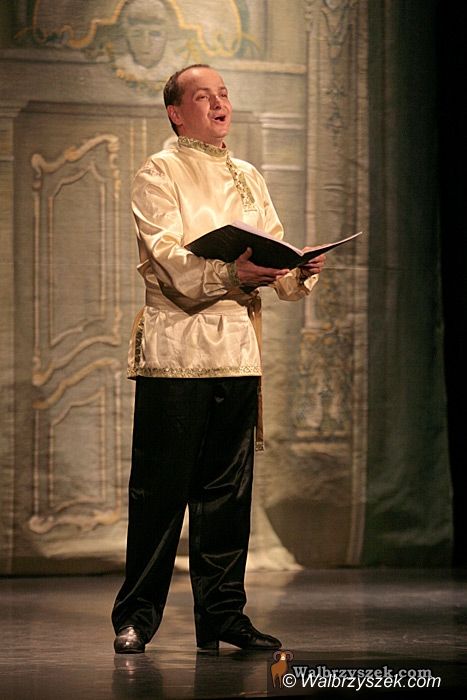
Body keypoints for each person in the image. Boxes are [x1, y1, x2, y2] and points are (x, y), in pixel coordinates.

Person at [112, 64, 326, 654]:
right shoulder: (159, 171)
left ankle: (224, 616)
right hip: (176, 351)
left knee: (227, 493)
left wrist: (297, 268)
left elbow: (274, 261)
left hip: (236, 350)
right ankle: (137, 616)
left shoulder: (249, 175)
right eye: (203, 96)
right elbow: (167, 260)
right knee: (160, 491)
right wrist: (231, 272)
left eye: (223, 94)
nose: (218, 103)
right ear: (176, 113)